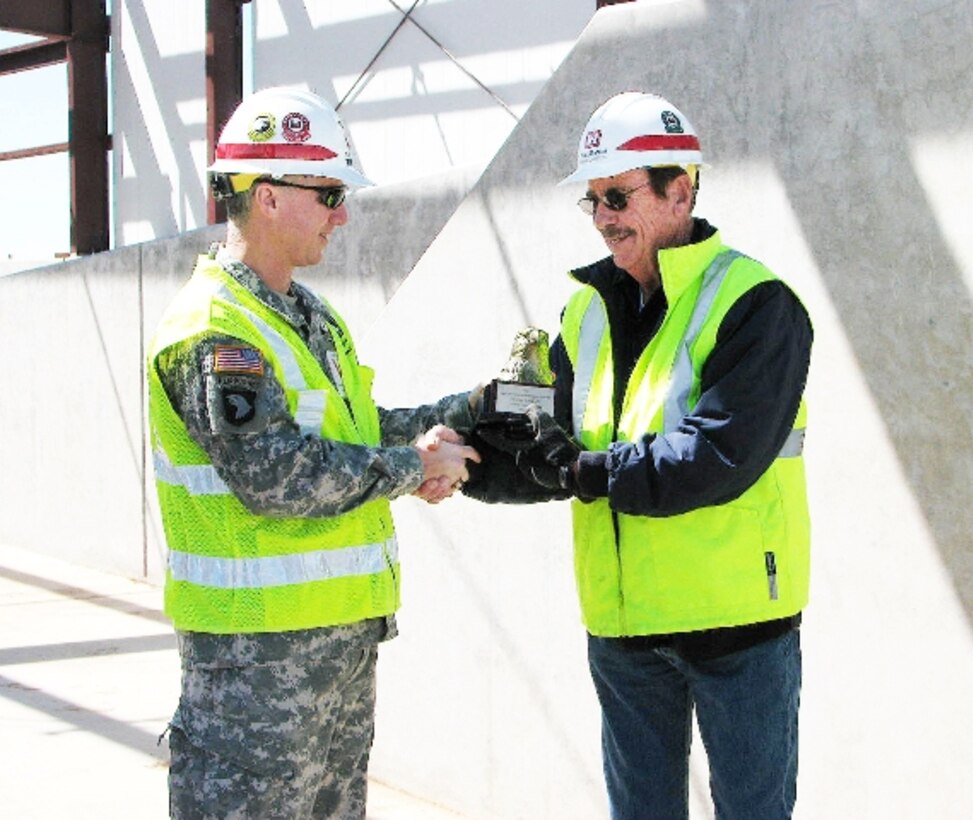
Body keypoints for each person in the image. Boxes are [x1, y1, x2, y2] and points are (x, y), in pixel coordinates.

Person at [467, 91, 812, 819]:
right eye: (591, 201)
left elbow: (712, 454)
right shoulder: (585, 309)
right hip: (624, 632)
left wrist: (579, 471)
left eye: (617, 196)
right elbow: (544, 441)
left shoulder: (756, 304)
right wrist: (463, 462)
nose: (602, 219)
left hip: (736, 629)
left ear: (678, 190)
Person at [147, 86, 480, 819]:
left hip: (332, 656)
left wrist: (468, 413)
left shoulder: (309, 314)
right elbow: (276, 474)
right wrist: (412, 468)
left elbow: (351, 432)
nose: (342, 213)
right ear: (267, 197)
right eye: (328, 192)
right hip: (254, 669)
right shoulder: (214, 329)